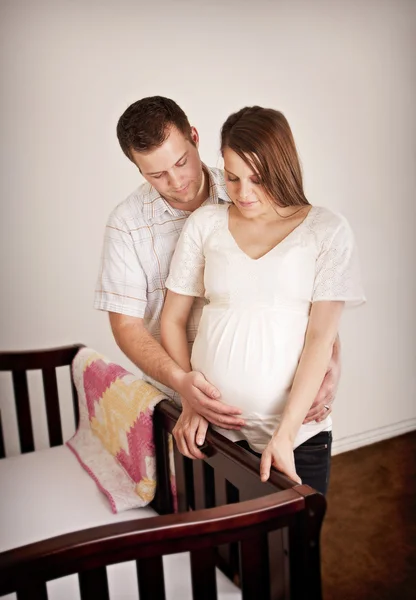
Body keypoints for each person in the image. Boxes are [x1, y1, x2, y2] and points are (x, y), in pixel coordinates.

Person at [94, 96, 342, 468]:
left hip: (285, 412)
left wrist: (333, 360)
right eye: (156, 174)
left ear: (194, 136)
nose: (177, 182)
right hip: (194, 419)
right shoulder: (127, 224)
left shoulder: (246, 184)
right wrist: (185, 387)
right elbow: (126, 326)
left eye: (181, 162)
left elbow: (305, 284)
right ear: (137, 169)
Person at [160, 106, 365, 495]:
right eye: (233, 178)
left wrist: (285, 435)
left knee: (293, 550)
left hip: (297, 435)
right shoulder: (205, 224)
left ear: (281, 166)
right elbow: (172, 320)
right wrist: (191, 399)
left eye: (257, 178)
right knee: (217, 548)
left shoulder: (326, 230)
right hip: (213, 428)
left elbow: (321, 337)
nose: (244, 193)